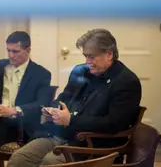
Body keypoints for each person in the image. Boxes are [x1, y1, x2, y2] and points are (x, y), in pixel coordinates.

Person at [7, 28, 142, 167]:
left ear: (109, 54)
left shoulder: (126, 81)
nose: (87, 61)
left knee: (50, 162)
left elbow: (114, 123)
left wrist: (71, 120)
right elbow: (63, 98)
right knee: (19, 159)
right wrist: (52, 111)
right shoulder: (81, 71)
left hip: (93, 145)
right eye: (85, 56)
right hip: (61, 135)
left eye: (92, 56)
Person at [0, 31, 52, 153]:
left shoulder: (41, 74)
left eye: (15, 51)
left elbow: (42, 104)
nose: (10, 55)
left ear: (28, 50)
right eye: (8, 50)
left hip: (19, 125)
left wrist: (14, 110)